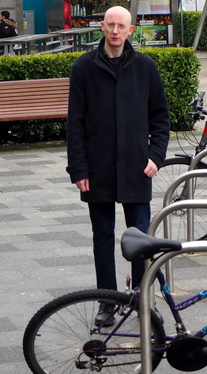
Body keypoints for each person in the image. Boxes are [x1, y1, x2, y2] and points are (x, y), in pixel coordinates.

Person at [66, 6, 170, 326]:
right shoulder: (83, 68)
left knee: (139, 238)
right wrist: (79, 169)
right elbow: (75, 124)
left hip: (137, 168)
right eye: (110, 25)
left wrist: (155, 156)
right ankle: (106, 302)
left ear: (131, 29)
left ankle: (140, 298)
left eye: (120, 26)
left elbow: (161, 119)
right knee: (102, 237)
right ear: (102, 26)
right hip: (98, 168)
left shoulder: (146, 67)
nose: (114, 30)